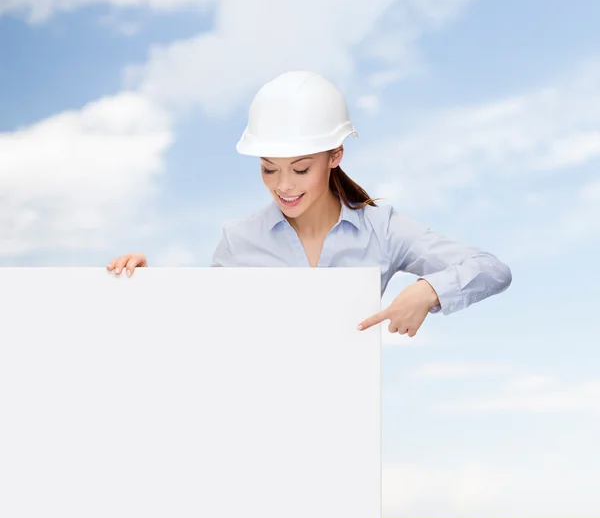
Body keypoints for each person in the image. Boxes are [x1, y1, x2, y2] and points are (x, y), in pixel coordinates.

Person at [107, 70, 512, 337]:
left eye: (300, 170)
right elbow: (204, 325)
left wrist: (428, 291)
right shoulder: (239, 240)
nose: (283, 186)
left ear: (334, 155)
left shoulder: (382, 230)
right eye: (268, 169)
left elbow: (491, 269)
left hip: (345, 426)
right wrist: (148, 286)